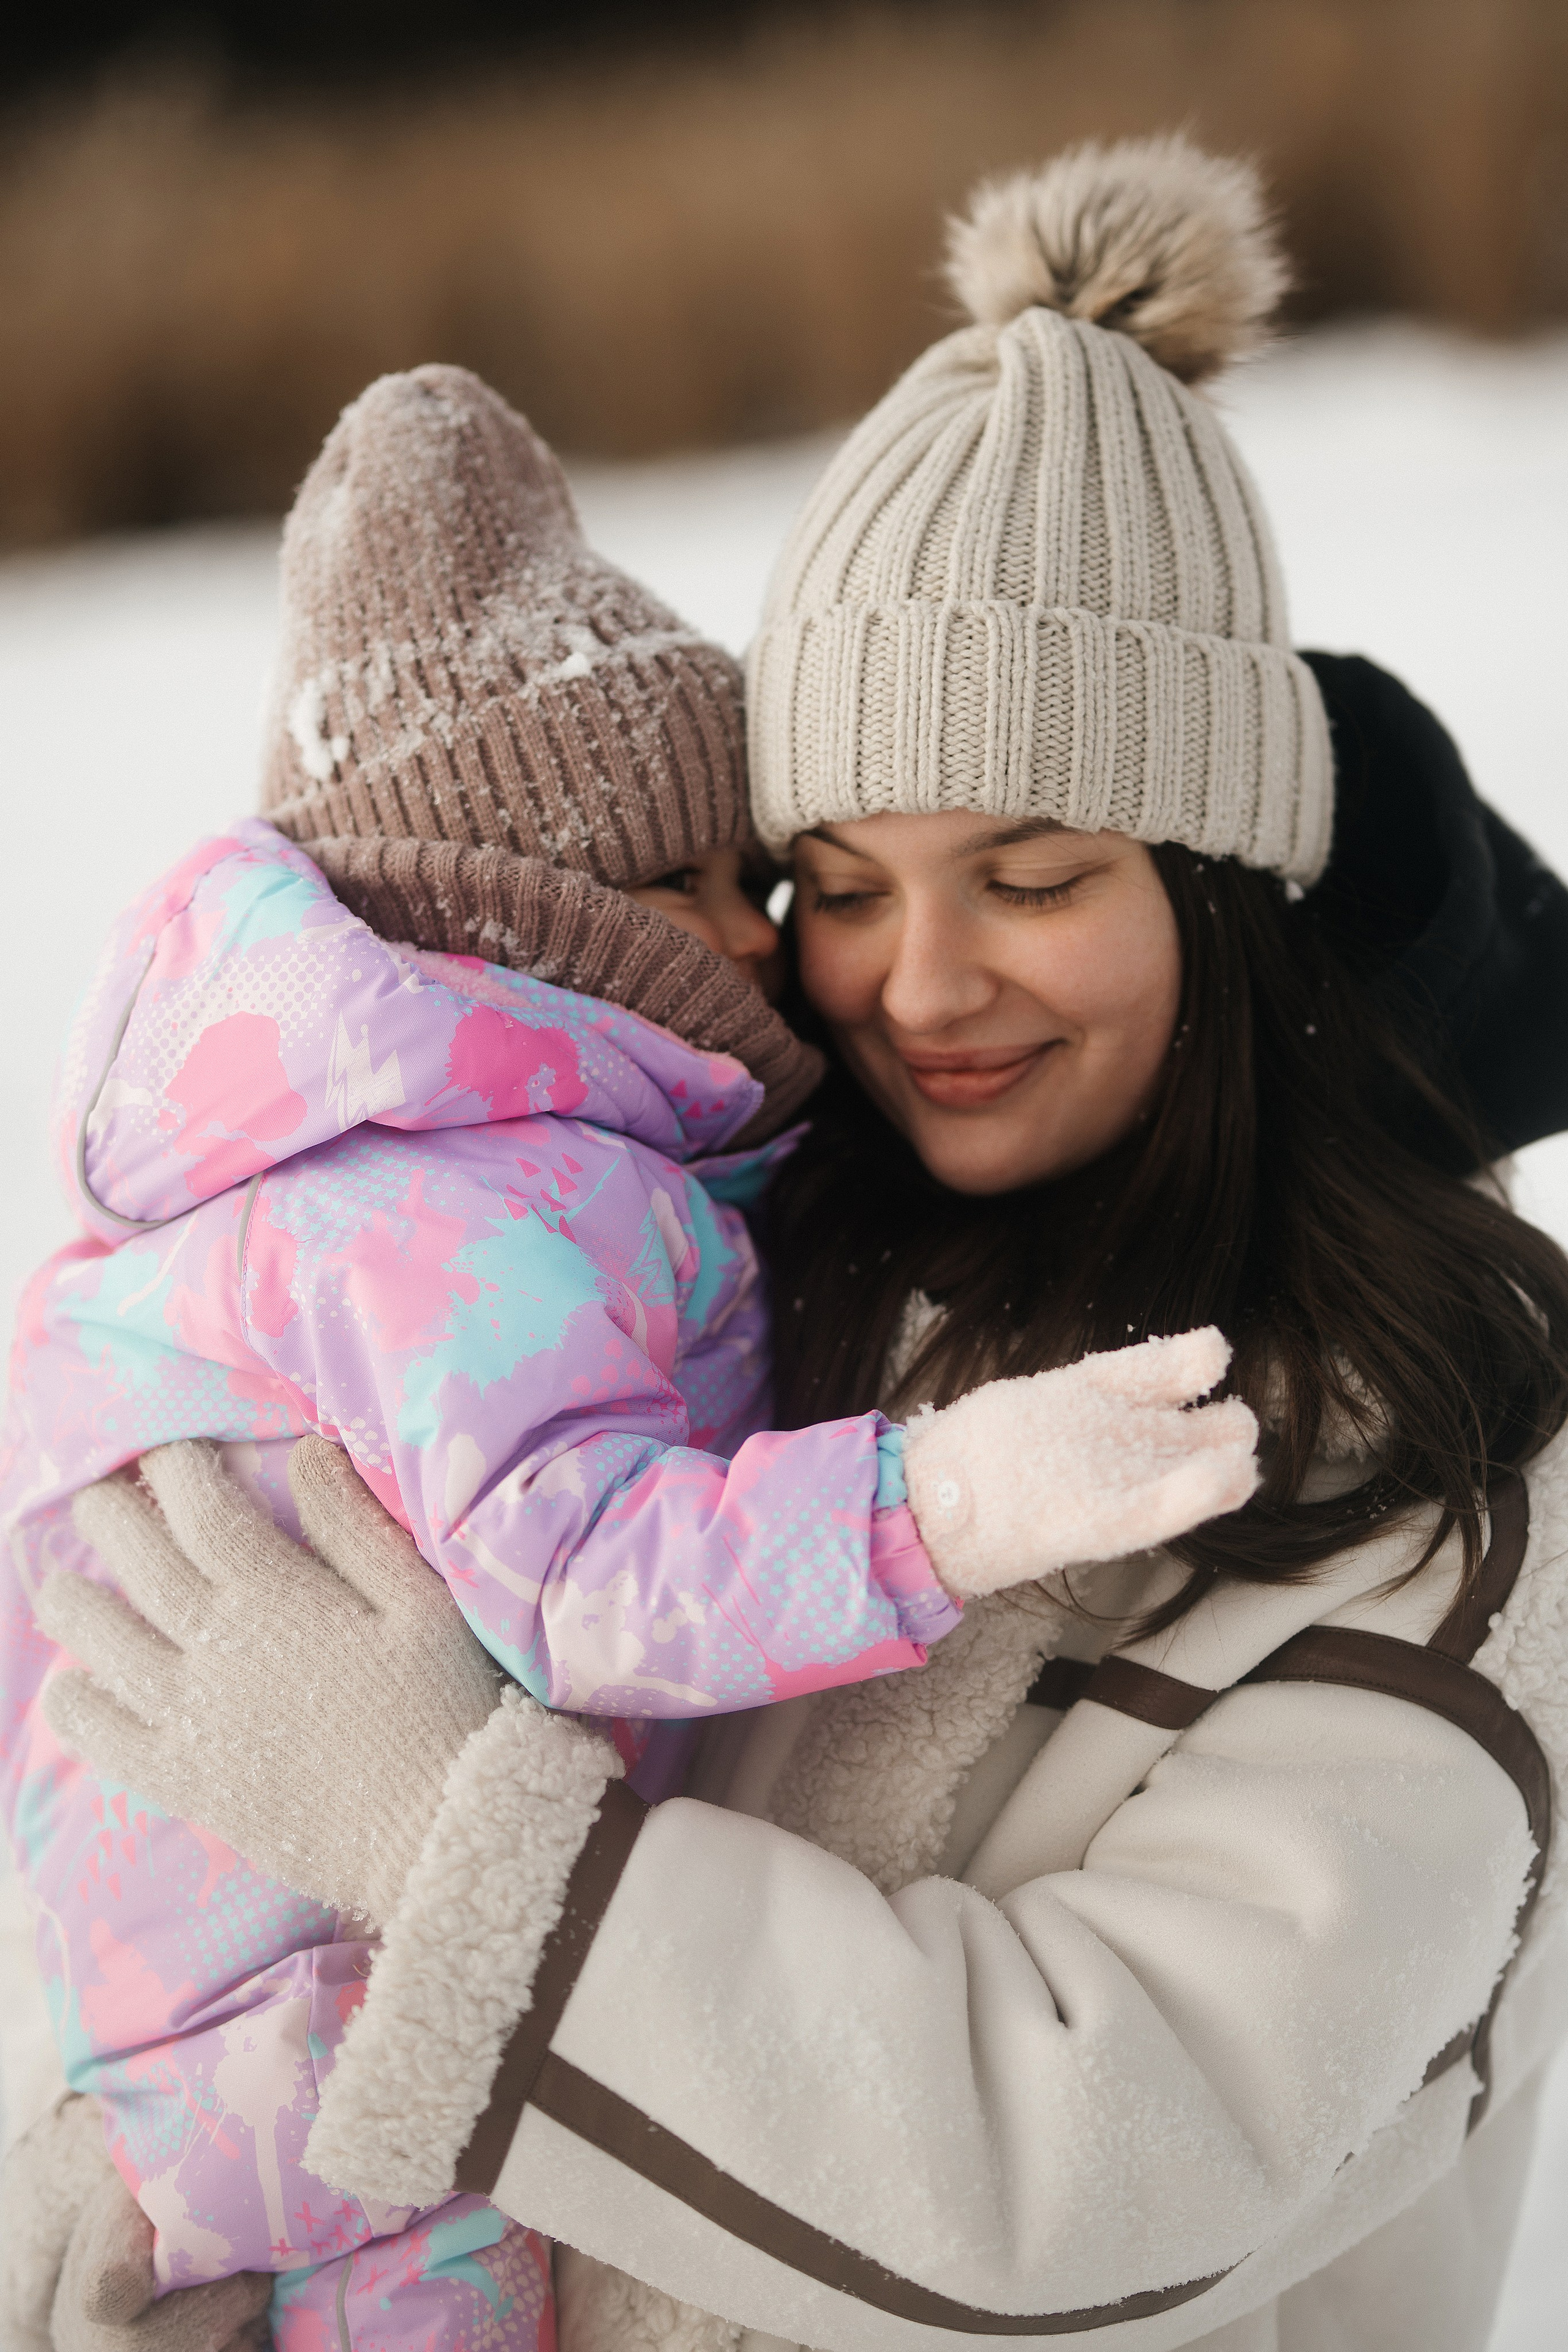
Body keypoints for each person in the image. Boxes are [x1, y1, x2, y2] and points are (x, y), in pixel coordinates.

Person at [23, 132, 1568, 2351]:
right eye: (840, 884)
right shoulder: (728, 1245)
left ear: (1223, 886)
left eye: (1032, 879)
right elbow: (138, 1796)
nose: (919, 987)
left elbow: (1101, 2160)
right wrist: (136, 2173)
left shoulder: (1421, 1457)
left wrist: (449, 1834)